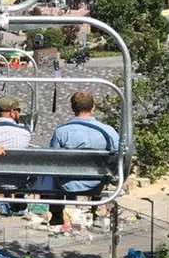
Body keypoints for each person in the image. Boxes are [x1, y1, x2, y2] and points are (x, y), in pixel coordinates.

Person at [47, 91, 120, 226]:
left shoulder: (61, 132)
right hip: (96, 183)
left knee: (53, 171)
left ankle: (56, 213)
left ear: (73, 108)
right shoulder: (108, 132)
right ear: (92, 107)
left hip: (66, 184)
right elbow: (118, 156)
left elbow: (53, 158)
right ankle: (97, 210)